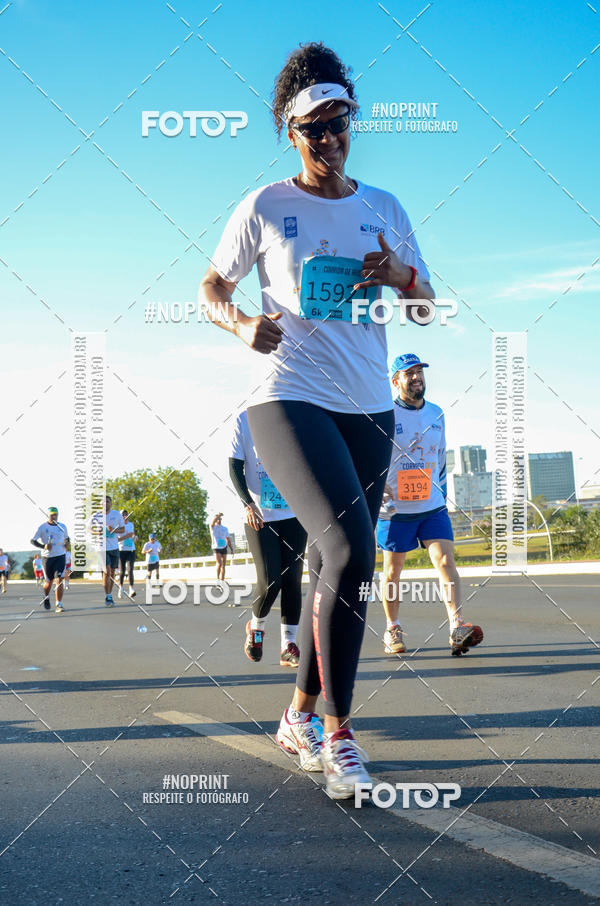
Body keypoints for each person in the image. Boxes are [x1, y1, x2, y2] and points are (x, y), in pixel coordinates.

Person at [201, 43, 434, 798]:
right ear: (288, 132)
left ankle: (298, 713)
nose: (329, 140)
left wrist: (395, 274)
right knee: (348, 545)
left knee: (344, 564)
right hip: (287, 394)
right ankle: (339, 736)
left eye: (340, 125)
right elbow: (209, 283)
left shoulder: (386, 207)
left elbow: (426, 304)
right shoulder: (266, 206)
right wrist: (239, 324)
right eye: (313, 130)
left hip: (368, 403)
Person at [377, 354, 484, 657]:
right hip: (394, 509)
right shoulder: (385, 414)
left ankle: (456, 626)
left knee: (445, 562)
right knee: (392, 571)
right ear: (396, 380)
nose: (416, 377)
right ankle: (392, 628)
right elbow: (371, 458)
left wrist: (442, 495)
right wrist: (377, 489)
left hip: (432, 506)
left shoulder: (437, 413)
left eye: (419, 372)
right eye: (408, 373)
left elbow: (440, 460)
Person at [230, 409, 307, 668]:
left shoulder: (293, 412)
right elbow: (234, 466)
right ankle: (256, 628)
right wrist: (247, 503)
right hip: (260, 515)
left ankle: (288, 645)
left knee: (292, 580)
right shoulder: (244, 418)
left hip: (294, 511)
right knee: (271, 581)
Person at [30, 507, 70, 613]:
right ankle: (46, 597)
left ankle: (59, 604)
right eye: (52, 515)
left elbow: (67, 538)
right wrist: (44, 546)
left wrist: (67, 543)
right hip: (47, 558)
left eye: (55, 514)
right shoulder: (42, 527)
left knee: (59, 579)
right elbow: (32, 541)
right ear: (48, 515)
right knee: (49, 581)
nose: (54, 517)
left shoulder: (62, 526)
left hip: (60, 556)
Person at [90, 495, 125, 607]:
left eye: (108, 502)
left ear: (111, 503)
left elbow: (123, 529)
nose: (106, 504)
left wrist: (113, 529)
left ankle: (109, 594)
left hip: (114, 547)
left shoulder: (116, 514)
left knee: (112, 573)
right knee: (107, 571)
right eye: (104, 502)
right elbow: (88, 528)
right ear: (101, 505)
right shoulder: (96, 516)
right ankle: (108, 596)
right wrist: (97, 532)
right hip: (101, 548)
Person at [118, 508, 137, 599]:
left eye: (126, 514)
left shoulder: (131, 524)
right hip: (122, 550)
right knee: (122, 571)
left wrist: (134, 537)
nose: (125, 516)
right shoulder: (118, 526)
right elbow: (117, 540)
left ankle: (131, 589)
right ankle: (121, 588)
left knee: (130, 569)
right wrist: (126, 536)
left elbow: (133, 535)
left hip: (131, 550)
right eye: (123, 514)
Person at [210, 514, 234, 582]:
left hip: (223, 547)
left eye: (220, 518)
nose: (219, 520)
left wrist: (231, 549)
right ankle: (217, 579)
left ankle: (222, 580)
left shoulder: (225, 528)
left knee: (223, 565)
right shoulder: (213, 527)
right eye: (217, 518)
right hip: (216, 547)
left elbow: (228, 540)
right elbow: (212, 522)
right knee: (219, 564)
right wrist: (218, 515)